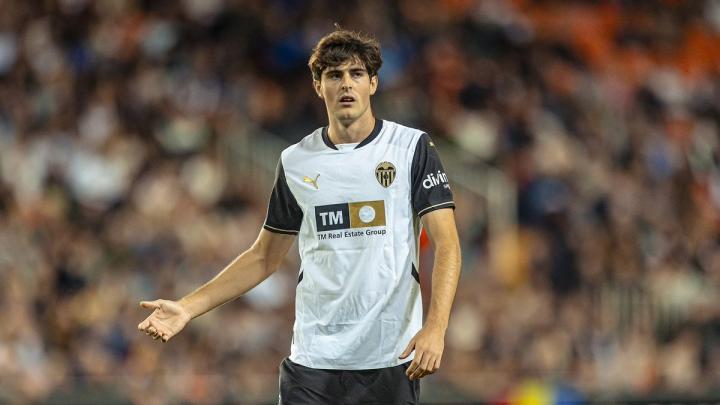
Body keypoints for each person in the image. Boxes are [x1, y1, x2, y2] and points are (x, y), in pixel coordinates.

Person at [138, 28, 461, 405]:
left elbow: (448, 245)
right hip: (313, 361)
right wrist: (187, 307)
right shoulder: (295, 162)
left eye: (356, 74)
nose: (346, 84)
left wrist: (436, 328)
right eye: (334, 75)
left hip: (390, 358)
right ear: (318, 86)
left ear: (373, 83)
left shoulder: (411, 148)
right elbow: (263, 257)